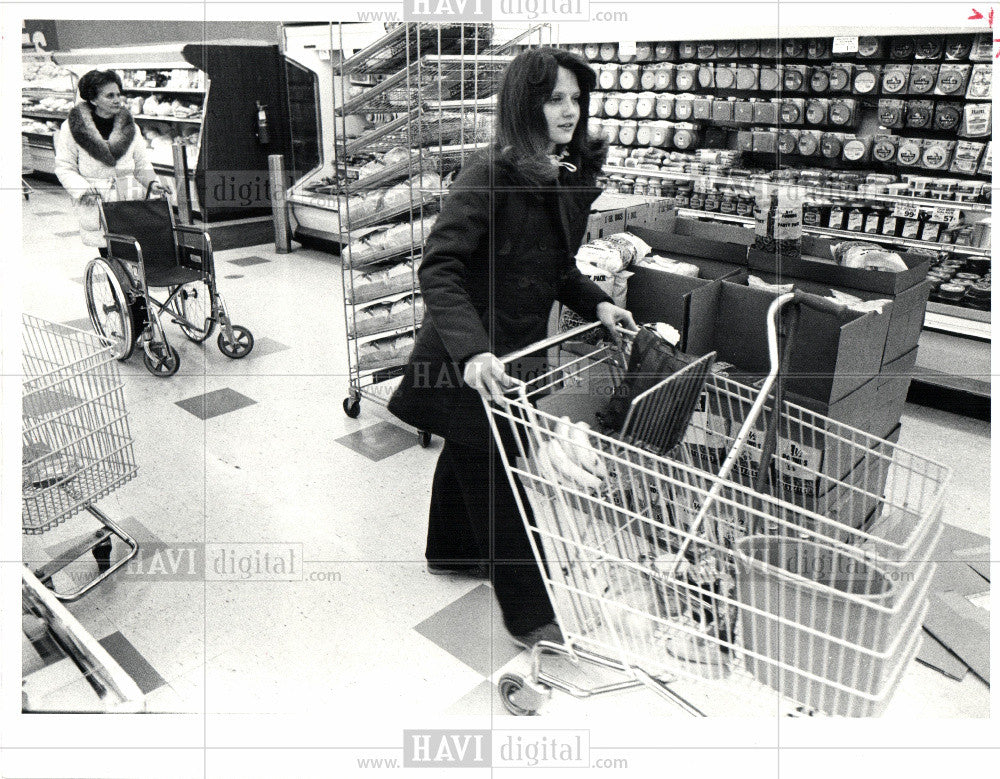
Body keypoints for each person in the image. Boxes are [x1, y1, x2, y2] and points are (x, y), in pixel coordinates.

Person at [388, 47, 636, 647]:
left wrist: (597, 302)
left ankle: (448, 550)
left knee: (469, 453)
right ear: (527, 105)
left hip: (513, 353)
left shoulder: (564, 174)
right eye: (555, 98)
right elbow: (440, 267)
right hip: (468, 358)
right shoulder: (488, 176)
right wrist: (473, 352)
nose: (570, 110)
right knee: (494, 474)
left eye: (576, 98)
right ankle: (533, 618)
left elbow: (558, 267)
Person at [54, 69, 169, 250]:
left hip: (128, 199)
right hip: (97, 199)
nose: (117, 100)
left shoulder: (131, 127)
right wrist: (83, 190)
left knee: (135, 252)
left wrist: (153, 183)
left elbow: (141, 164)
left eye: (118, 94)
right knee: (108, 251)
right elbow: (64, 167)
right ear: (93, 99)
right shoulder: (72, 128)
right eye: (109, 96)